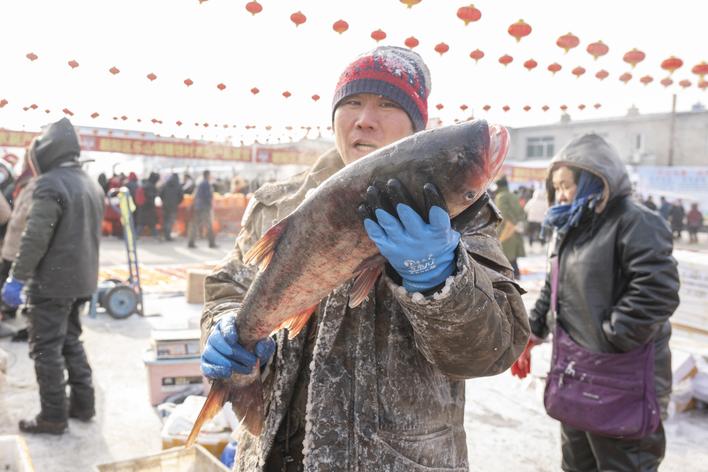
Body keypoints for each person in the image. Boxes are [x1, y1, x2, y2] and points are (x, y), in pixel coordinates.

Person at [199, 46, 529, 471]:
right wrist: (225, 325)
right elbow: (229, 286)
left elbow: (491, 351)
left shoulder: (463, 218)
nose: (364, 118)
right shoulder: (274, 204)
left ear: (417, 127)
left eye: (387, 105)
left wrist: (439, 281)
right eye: (352, 102)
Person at [512, 134, 679, 471]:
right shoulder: (568, 227)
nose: (559, 194)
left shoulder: (635, 220)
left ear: (594, 180)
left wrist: (612, 337)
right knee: (576, 464)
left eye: (566, 185)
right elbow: (552, 287)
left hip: (623, 378)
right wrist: (531, 333)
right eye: (555, 186)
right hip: (577, 372)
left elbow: (657, 289)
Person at [1, 118, 105, 434]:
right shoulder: (90, 182)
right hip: (81, 282)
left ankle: (53, 416)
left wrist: (17, 277)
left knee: (45, 348)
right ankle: (83, 405)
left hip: (51, 284)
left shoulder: (50, 184)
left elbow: (35, 237)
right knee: (71, 340)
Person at [0, 149, 37, 333]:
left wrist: (14, 223)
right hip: (12, 242)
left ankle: (8, 311)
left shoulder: (34, 185)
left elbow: (15, 216)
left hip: (17, 244)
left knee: (10, 278)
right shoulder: (24, 183)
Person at [494, 176, 526, 278]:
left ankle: (511, 275)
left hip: (506, 229)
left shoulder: (501, 196)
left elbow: (502, 214)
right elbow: (521, 213)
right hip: (515, 229)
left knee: (505, 253)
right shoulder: (513, 196)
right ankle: (516, 273)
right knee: (511, 254)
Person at [188, 170, 216, 248]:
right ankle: (211, 243)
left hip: (198, 206)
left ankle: (191, 242)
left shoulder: (200, 183)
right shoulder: (206, 184)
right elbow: (207, 196)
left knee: (195, 224)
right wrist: (210, 205)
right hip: (204, 207)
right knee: (209, 225)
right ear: (207, 175)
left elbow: (196, 195)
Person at [159, 173, 184, 241]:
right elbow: (181, 197)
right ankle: (168, 236)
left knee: (166, 220)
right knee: (170, 220)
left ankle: (165, 234)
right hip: (173, 206)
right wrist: (177, 202)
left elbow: (160, 194)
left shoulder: (165, 184)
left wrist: (164, 200)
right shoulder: (178, 186)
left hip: (165, 205)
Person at [135, 172, 160, 238]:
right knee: (151, 224)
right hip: (148, 209)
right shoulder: (151, 186)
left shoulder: (145, 184)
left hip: (142, 208)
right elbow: (150, 197)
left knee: (141, 224)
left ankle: (135, 236)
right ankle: (156, 236)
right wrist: (155, 194)